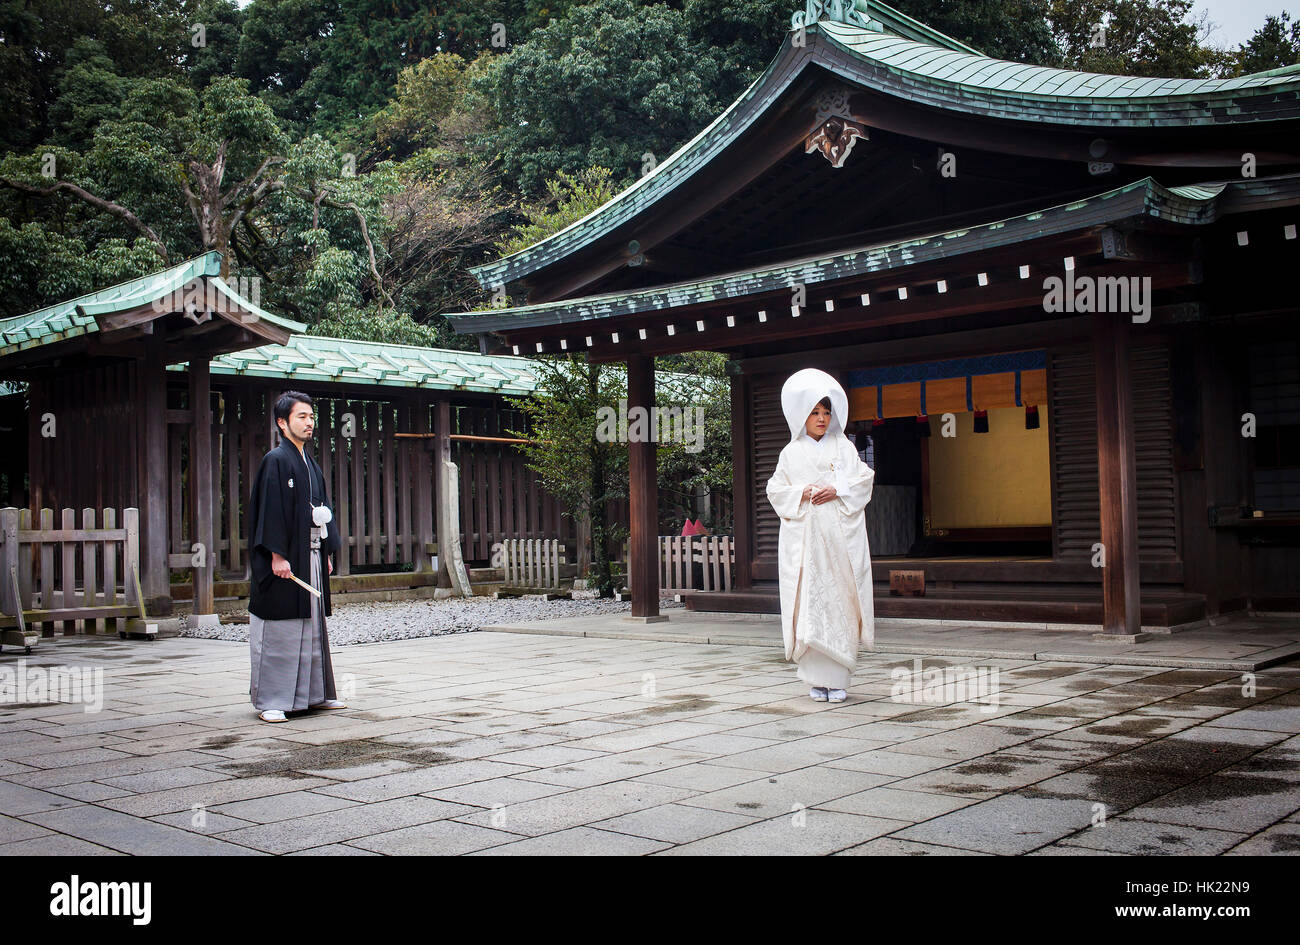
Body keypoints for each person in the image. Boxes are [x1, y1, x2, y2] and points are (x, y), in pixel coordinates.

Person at [765, 368, 875, 703]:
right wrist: (804, 491)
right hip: (807, 541)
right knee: (809, 603)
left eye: (826, 412)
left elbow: (863, 482)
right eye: (815, 412)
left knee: (838, 599)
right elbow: (776, 490)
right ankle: (814, 678)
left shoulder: (844, 448)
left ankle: (839, 678)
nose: (822, 418)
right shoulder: (791, 452)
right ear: (802, 415)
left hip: (837, 540)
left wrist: (836, 488)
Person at [247, 391, 346, 722]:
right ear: (282, 422)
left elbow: (323, 511)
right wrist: (276, 554)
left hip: (312, 556)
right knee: (281, 627)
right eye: (301, 417)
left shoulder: (311, 464)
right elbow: (270, 511)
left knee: (312, 625)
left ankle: (315, 695)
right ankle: (273, 700)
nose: (309, 423)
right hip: (285, 559)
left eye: (311, 417)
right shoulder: (275, 460)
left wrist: (327, 551)